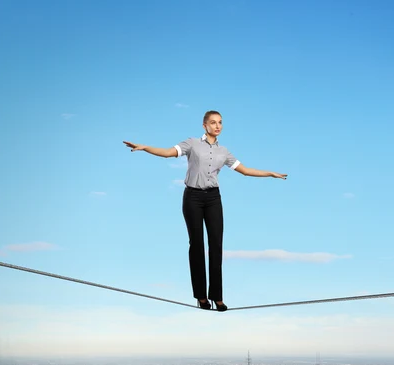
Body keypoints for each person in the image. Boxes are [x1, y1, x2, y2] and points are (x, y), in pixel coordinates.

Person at [123, 110, 287, 311]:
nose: (217, 126)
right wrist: (145, 147)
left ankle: (217, 297)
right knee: (197, 245)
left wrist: (269, 173)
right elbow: (167, 153)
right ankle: (201, 297)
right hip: (192, 197)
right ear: (204, 125)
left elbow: (245, 170)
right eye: (213, 122)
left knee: (216, 245)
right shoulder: (192, 143)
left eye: (220, 122)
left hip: (213, 198)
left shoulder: (224, 152)